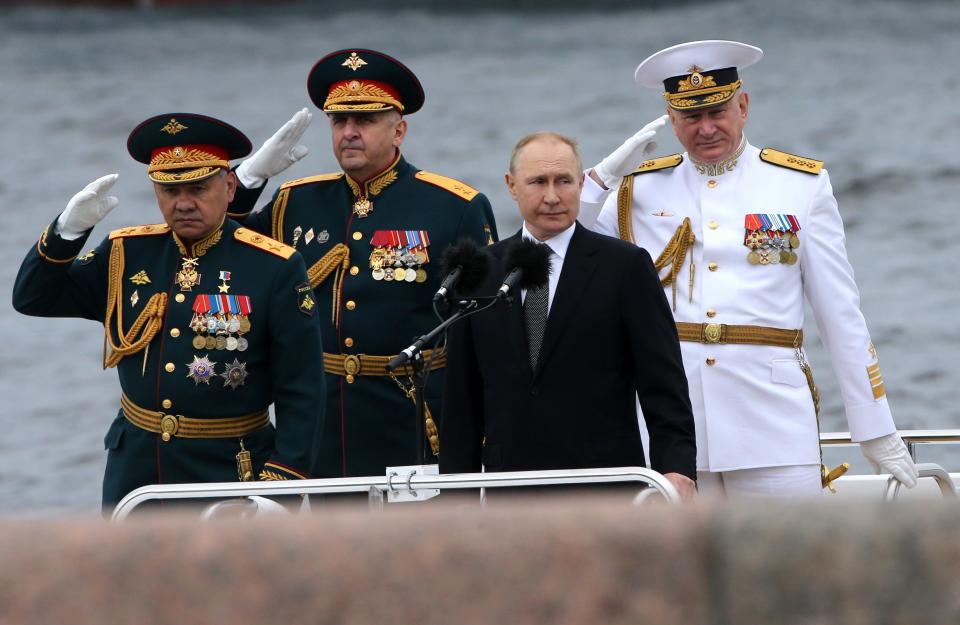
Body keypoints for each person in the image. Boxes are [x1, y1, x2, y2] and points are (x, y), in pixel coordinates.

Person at [578, 40, 918, 497]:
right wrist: (598, 181)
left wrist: (874, 425)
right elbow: (563, 250)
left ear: (743, 105)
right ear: (671, 119)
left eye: (718, 112)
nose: (706, 129)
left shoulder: (799, 184)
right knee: (675, 568)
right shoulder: (637, 190)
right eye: (691, 118)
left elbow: (840, 313)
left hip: (772, 423)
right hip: (670, 428)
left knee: (783, 566)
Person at [12, 113, 326, 510]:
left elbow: (303, 388)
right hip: (137, 469)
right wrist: (67, 232)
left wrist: (281, 484)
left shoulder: (274, 266)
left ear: (229, 186)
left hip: (230, 468)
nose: (182, 203)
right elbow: (33, 298)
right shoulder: (126, 253)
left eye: (198, 187)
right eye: (169, 190)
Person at [226, 49, 499, 478]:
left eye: (365, 120)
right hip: (321, 421)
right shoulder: (296, 203)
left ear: (399, 131)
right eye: (339, 122)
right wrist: (247, 181)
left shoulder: (453, 206)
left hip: (412, 414)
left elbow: (487, 329)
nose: (349, 133)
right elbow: (223, 251)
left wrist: (484, 436)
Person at [439, 132, 697, 500]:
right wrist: (455, 495)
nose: (552, 197)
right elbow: (462, 401)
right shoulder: (479, 272)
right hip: (509, 488)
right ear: (512, 186)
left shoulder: (625, 267)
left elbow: (663, 383)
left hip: (605, 484)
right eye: (538, 182)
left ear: (580, 183)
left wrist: (676, 468)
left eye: (563, 181)